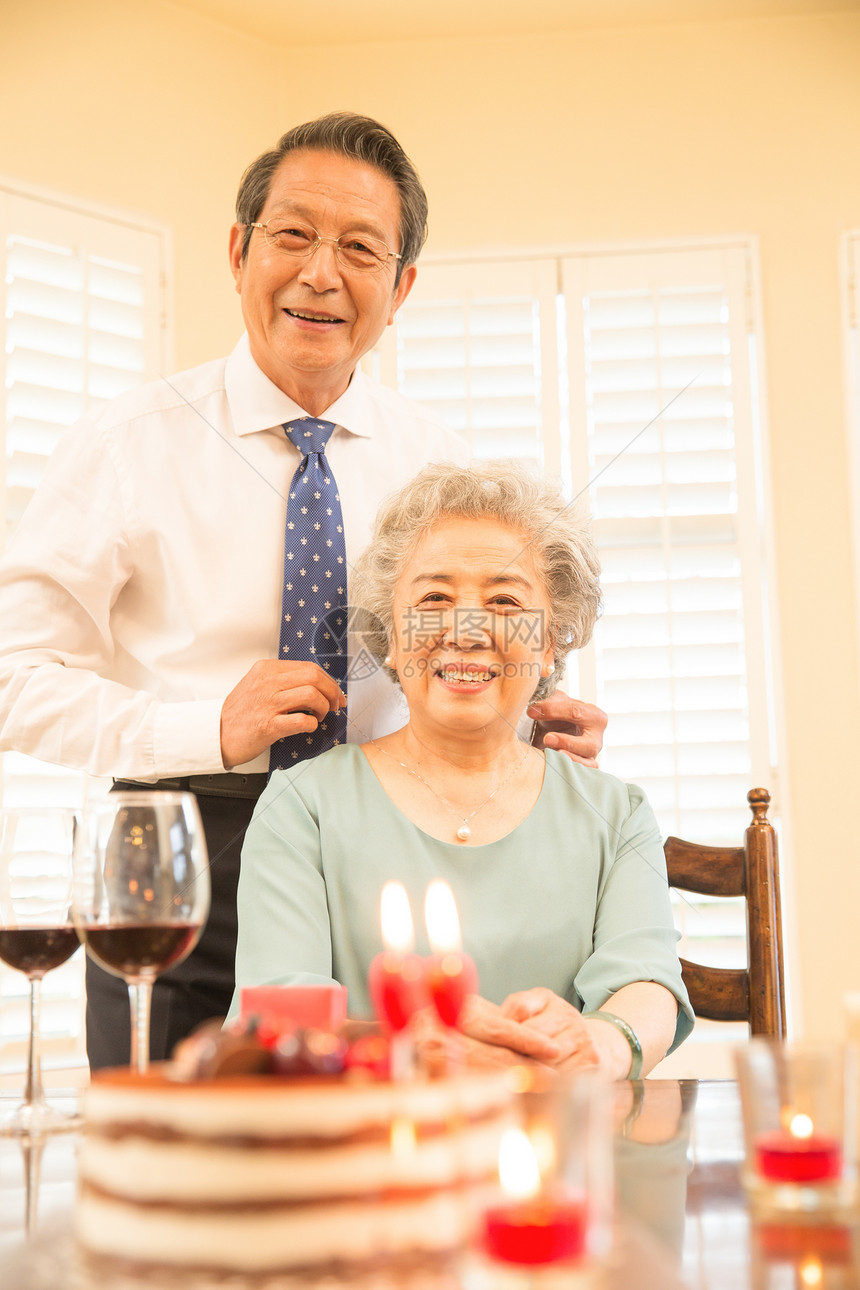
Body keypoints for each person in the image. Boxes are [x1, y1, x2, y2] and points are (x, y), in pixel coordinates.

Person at [0, 113, 607, 1069]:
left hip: (386, 851)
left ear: (400, 287)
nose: (322, 273)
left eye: (361, 248)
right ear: (239, 252)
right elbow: (14, 678)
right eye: (293, 236)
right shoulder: (124, 442)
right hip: (179, 855)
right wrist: (208, 729)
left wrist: (526, 722)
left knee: (377, 1166)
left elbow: (456, 658)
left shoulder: (440, 465)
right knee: (183, 1176)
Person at [233, 461, 693, 1078]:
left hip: (559, 1146)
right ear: (392, 635)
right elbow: (281, 1013)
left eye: (505, 601)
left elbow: (646, 984)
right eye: (433, 599)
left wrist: (597, 1045)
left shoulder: (616, 812)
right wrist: (423, 1054)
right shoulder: (302, 804)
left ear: (550, 642)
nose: (465, 629)